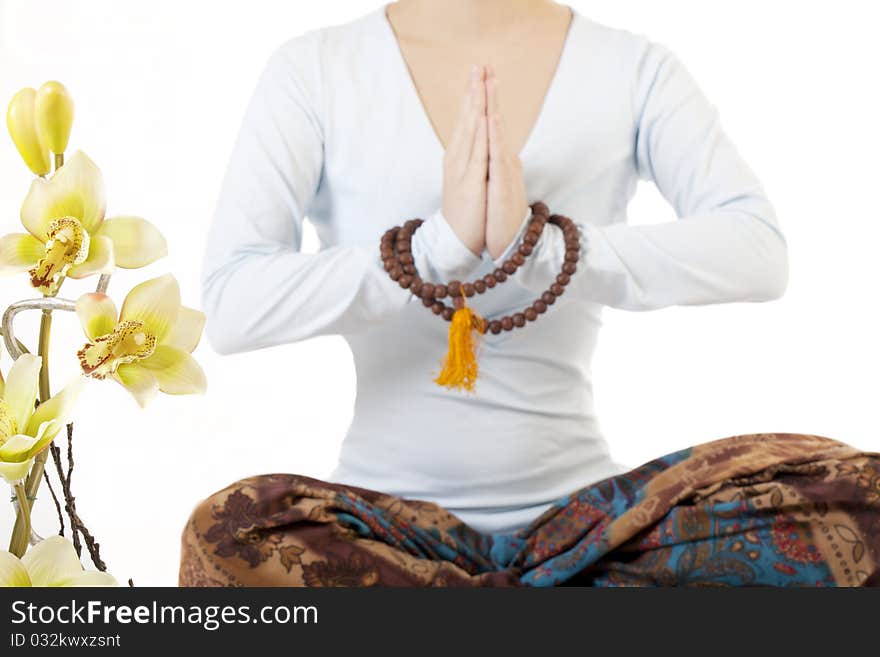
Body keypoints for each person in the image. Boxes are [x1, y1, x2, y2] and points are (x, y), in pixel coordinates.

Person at [179, 1, 879, 586]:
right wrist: (435, 248)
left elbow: (758, 251)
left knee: (863, 499)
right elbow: (234, 301)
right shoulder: (317, 68)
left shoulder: (631, 66)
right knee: (228, 531)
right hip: (384, 540)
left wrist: (545, 250)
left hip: (591, 535)